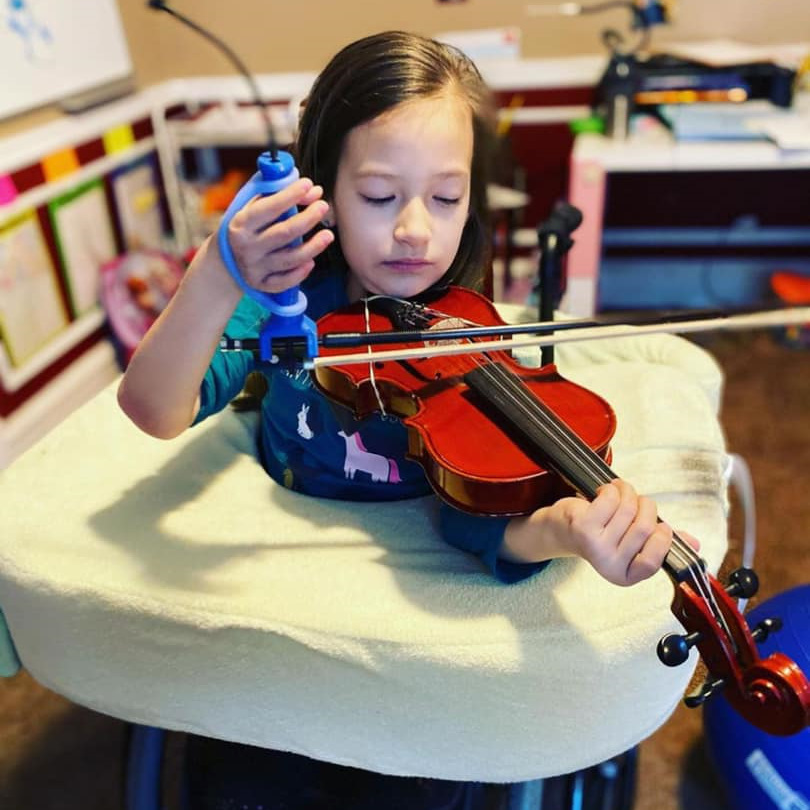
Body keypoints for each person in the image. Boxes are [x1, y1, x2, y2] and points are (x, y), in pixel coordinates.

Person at [117, 30, 694, 809]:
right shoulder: (287, 307)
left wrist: (565, 531)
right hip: (288, 575)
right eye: (380, 196)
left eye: (447, 198)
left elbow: (480, 512)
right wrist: (220, 271)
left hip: (411, 620)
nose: (416, 230)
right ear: (322, 186)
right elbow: (152, 408)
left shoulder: (467, 324)